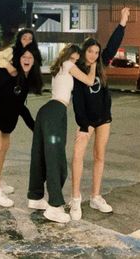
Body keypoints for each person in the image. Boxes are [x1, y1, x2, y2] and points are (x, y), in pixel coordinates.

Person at [70, 7, 130, 221]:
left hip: (103, 119)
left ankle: (95, 196)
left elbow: (113, 44)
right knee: (78, 156)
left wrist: (122, 23)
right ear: (85, 51)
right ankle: (75, 199)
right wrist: (83, 124)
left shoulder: (102, 64)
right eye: (91, 52)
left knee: (99, 157)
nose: (94, 55)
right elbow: (77, 99)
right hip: (86, 121)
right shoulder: (78, 70)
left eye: (97, 52)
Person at [27, 44, 96, 224]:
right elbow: (89, 81)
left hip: (46, 112)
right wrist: (94, 64)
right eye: (74, 57)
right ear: (69, 56)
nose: (75, 61)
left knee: (40, 154)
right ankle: (54, 207)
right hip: (55, 113)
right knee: (55, 158)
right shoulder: (67, 65)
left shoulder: (59, 69)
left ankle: (35, 197)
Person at [0, 44, 43, 207]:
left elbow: (21, 106)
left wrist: (34, 127)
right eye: (24, 57)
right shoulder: (9, 74)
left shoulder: (26, 80)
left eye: (30, 57)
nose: (27, 60)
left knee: (4, 149)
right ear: (18, 59)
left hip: (9, 121)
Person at [0, 28, 42, 133]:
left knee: (17, 104)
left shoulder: (34, 54)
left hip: (15, 86)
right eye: (24, 38)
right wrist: (8, 65)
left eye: (30, 39)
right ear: (19, 40)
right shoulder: (12, 51)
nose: (27, 41)